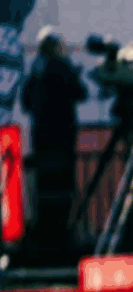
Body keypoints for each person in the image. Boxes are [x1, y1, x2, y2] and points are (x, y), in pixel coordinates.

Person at [19, 27, 88, 267]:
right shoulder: (63, 68)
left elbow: (26, 102)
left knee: (44, 190)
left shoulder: (35, 71)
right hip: (63, 140)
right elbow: (81, 93)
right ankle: (61, 235)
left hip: (42, 141)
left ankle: (45, 236)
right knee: (63, 189)